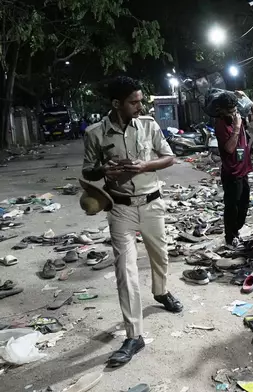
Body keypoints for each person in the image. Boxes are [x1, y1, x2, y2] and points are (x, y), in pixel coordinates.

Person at [82, 76, 183, 367]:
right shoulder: (95, 134)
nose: (140, 105)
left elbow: (169, 158)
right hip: (120, 209)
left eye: (140, 100)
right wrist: (103, 170)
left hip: (152, 203)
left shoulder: (149, 125)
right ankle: (134, 335)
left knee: (160, 256)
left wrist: (145, 165)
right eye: (134, 101)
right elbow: (88, 171)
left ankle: (161, 292)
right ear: (117, 104)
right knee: (125, 272)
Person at [212, 91, 253, 248]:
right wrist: (236, 128)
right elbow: (229, 148)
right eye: (230, 110)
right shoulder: (222, 125)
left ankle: (236, 231)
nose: (233, 113)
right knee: (232, 207)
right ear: (221, 110)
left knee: (243, 206)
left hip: (243, 170)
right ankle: (230, 236)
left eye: (235, 109)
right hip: (231, 174)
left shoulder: (240, 118)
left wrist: (246, 97)